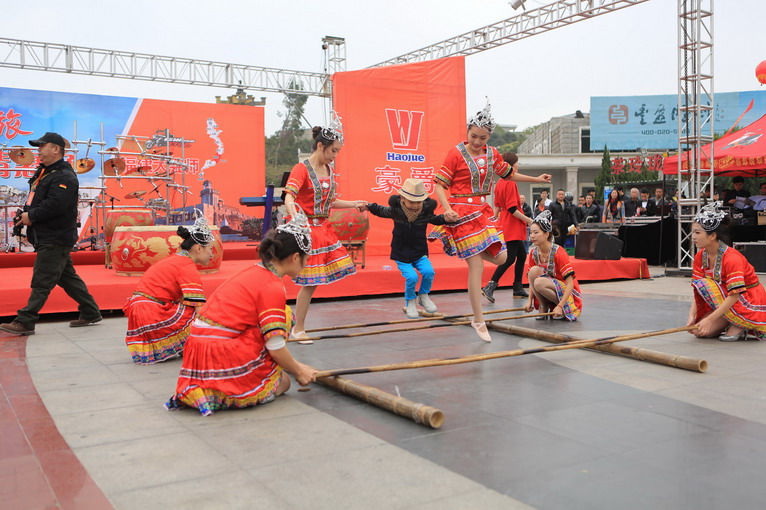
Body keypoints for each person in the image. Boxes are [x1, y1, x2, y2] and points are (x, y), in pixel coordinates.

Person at [165, 215, 318, 416]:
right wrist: (299, 370)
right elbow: (275, 346)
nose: (306, 264)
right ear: (295, 257)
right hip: (219, 351)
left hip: (198, 351)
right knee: (283, 380)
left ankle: (214, 387)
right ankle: (233, 389)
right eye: (306, 258)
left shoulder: (254, 271)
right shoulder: (272, 286)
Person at [429, 100, 551, 342]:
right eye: (473, 136)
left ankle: (469, 249)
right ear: (467, 131)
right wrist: (447, 208)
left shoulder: (492, 153)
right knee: (477, 266)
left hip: (482, 212)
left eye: (482, 138)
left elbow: (509, 174)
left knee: (502, 257)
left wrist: (537, 179)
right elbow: (440, 184)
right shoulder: (455, 153)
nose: (477, 142)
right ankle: (478, 319)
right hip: (461, 212)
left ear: (489, 137)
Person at [0, 132, 101, 336]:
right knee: (66, 277)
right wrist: (26, 215)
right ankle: (91, 312)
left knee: (42, 279)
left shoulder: (64, 176)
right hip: (48, 234)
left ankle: (26, 320)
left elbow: (56, 205)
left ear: (56, 149)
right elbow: (37, 199)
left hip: (56, 236)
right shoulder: (45, 172)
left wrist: (31, 216)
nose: (38, 150)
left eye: (41, 146)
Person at [283, 113, 365, 344]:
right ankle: (296, 328)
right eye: (333, 151)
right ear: (321, 146)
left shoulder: (328, 170)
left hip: (323, 229)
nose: (335, 155)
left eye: (337, 151)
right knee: (308, 282)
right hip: (306, 229)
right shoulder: (301, 169)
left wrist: (354, 203)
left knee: (312, 282)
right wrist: (295, 217)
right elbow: (289, 197)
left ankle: (296, 326)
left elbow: (330, 202)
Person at [123, 214, 214, 364]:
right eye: (210, 249)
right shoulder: (186, 266)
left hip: (140, 312)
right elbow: (199, 308)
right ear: (198, 248)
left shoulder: (174, 260)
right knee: (203, 311)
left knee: (189, 303)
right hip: (151, 312)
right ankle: (198, 346)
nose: (212, 254)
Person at [363, 179, 449, 318]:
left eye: (419, 202)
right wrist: (368, 206)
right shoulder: (396, 211)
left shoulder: (425, 212)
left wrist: (447, 218)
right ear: (402, 198)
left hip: (419, 252)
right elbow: (380, 210)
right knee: (412, 277)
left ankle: (423, 296)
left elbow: (437, 219)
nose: (415, 205)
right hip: (401, 253)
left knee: (429, 272)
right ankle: (410, 301)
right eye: (412, 202)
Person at [687, 204, 765, 341]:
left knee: (706, 285)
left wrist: (709, 319)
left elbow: (735, 294)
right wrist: (692, 316)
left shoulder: (732, 258)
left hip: (746, 297)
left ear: (712, 235)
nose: (693, 237)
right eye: (693, 232)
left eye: (698, 233)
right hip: (724, 296)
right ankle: (730, 320)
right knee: (700, 331)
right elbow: (698, 290)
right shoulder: (700, 256)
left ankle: (740, 322)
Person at [482, 153, 533, 303]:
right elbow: (512, 208)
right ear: (511, 165)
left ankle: (517, 287)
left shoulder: (499, 183)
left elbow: (497, 207)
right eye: (517, 162)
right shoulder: (510, 182)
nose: (518, 165)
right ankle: (490, 285)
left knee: (521, 255)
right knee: (510, 258)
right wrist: (529, 220)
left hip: (506, 222)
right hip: (512, 224)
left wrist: (494, 222)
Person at [524, 210, 582, 321]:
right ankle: (543, 306)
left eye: (536, 233)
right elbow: (531, 281)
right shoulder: (533, 253)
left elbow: (570, 283)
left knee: (539, 282)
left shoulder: (558, 252)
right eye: (531, 233)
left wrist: (560, 305)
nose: (532, 236)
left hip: (566, 294)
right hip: (549, 289)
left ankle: (562, 308)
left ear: (546, 234)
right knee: (533, 271)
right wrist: (529, 302)